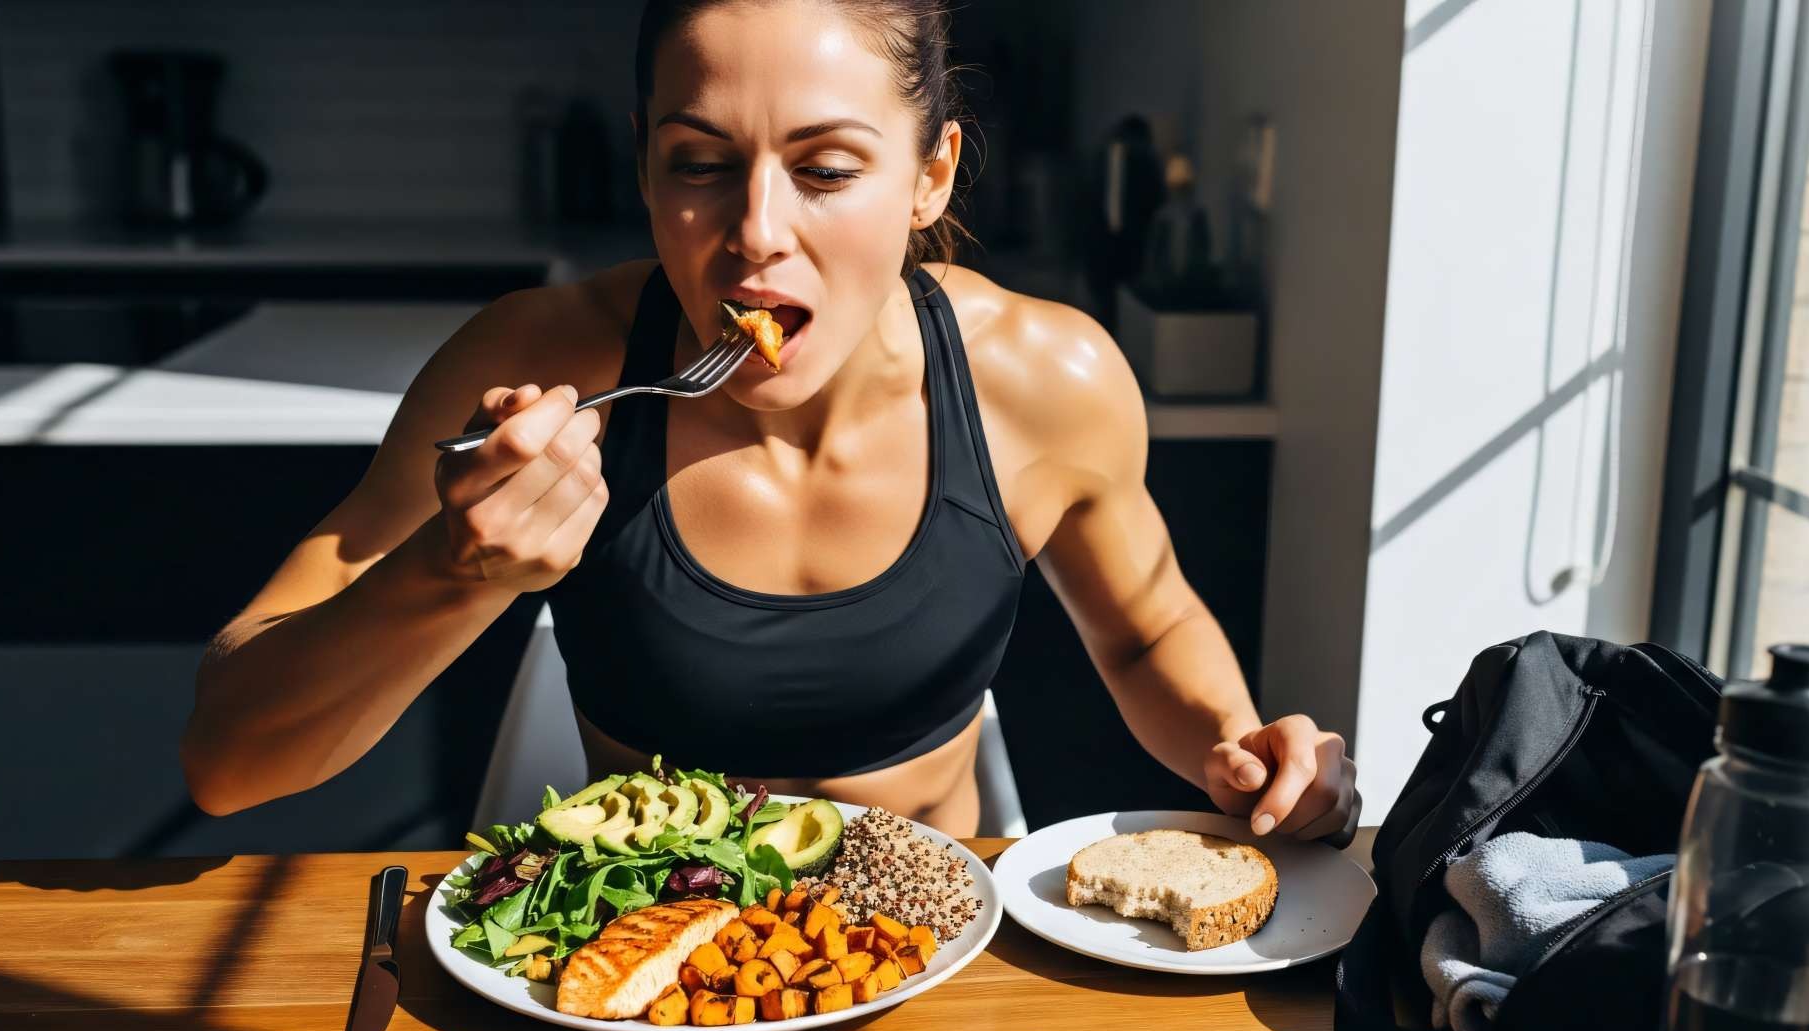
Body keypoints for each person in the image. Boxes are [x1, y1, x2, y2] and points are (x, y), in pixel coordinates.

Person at [182, 0, 1360, 841]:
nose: (752, 232)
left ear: (931, 176)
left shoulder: (1045, 376)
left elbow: (1144, 632)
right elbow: (231, 763)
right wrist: (453, 572)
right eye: (698, 163)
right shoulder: (538, 362)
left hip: (927, 974)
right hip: (627, 974)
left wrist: (1240, 748)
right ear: (644, 172)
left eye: (827, 168)